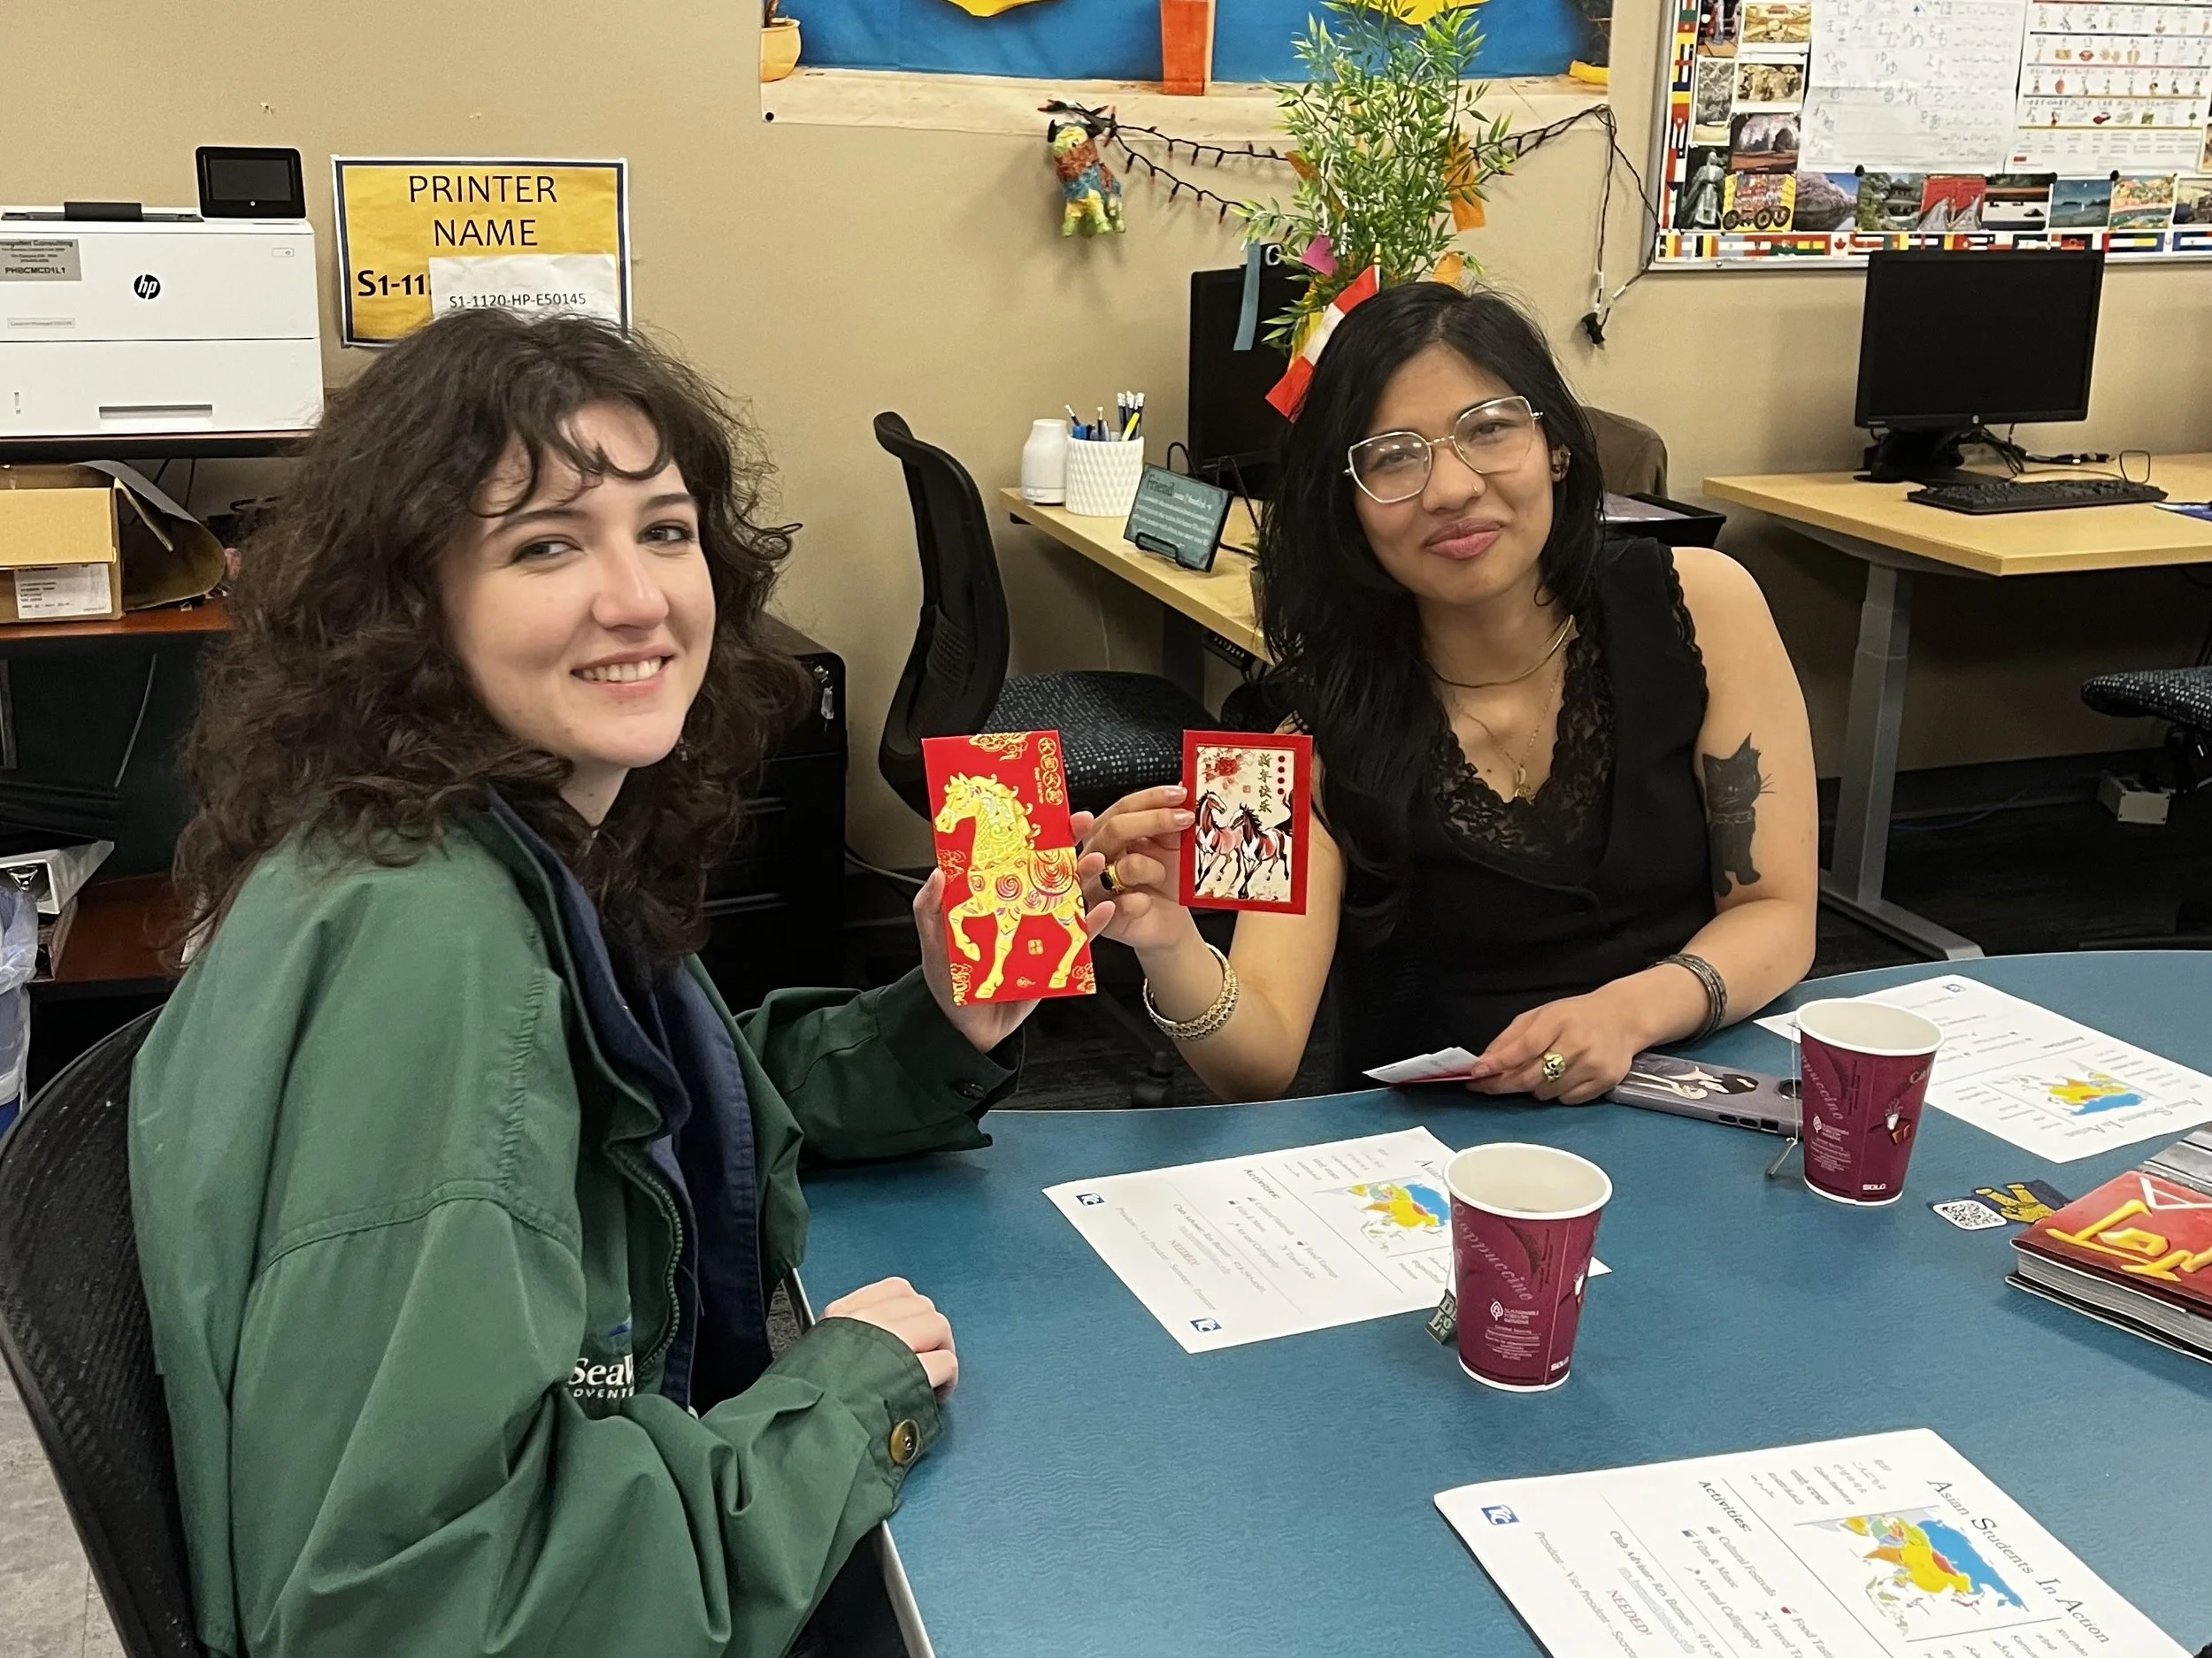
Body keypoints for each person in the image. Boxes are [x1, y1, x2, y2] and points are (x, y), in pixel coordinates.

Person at [128, 310, 1115, 1658]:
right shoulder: (431, 955)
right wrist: (837, 1404)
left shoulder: (476, 839)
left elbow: (646, 1130)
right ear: (411, 605)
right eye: (545, 544)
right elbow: (410, 1603)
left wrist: (933, 1023)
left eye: (663, 529)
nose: (641, 596)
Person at [1080, 282, 1816, 1102]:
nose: (1452, 488)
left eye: (1490, 429)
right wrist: (1169, 943)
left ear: (1556, 447)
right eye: (1393, 456)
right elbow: (1261, 1060)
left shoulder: (1707, 604)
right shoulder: (1293, 731)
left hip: (1693, 1094)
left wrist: (1630, 1012)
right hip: (1438, 1161)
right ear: (1346, 504)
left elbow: (1780, 912)